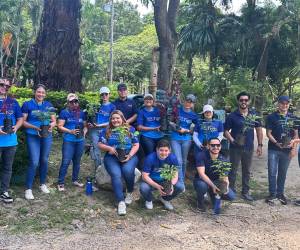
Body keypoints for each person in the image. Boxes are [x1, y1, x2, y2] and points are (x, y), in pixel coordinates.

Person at [98, 110, 139, 215]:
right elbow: (99, 144)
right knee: (116, 174)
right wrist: (108, 148)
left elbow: (136, 144)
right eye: (113, 118)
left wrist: (129, 155)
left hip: (128, 154)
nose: (115, 120)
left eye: (117, 118)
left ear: (122, 119)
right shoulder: (107, 130)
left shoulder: (130, 129)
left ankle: (129, 192)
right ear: (110, 120)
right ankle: (121, 202)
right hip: (112, 156)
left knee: (127, 171)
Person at [224, 91, 263, 201]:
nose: (244, 102)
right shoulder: (232, 115)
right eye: (241, 100)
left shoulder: (254, 115)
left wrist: (260, 145)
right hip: (235, 148)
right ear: (238, 101)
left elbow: (259, 130)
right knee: (233, 170)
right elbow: (226, 130)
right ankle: (230, 190)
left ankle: (245, 192)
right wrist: (232, 140)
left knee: (247, 170)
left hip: (248, 147)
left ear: (249, 101)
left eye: (246, 100)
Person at [22, 84, 56, 200]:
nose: (40, 94)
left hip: (46, 135)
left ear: (45, 94)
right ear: (35, 92)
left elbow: (53, 121)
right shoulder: (27, 104)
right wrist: (35, 127)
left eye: (42, 92)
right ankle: (28, 188)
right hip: (33, 136)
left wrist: (51, 125)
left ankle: (42, 184)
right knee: (34, 161)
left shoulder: (48, 105)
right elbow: (23, 122)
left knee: (44, 160)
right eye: (38, 92)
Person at [265, 96, 298, 205]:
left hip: (287, 150)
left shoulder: (293, 118)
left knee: (283, 172)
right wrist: (276, 143)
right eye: (282, 103)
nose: (284, 105)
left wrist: (294, 149)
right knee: (272, 172)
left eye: (286, 103)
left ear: (289, 104)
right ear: (278, 104)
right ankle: (272, 194)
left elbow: (296, 135)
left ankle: (280, 193)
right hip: (273, 149)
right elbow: (268, 133)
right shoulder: (271, 117)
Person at [140, 139, 184, 210]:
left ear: (169, 150)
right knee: (143, 187)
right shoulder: (150, 158)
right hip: (151, 181)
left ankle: (165, 199)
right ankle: (149, 199)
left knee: (180, 187)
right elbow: (144, 176)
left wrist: (171, 185)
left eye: (166, 150)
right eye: (161, 150)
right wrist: (157, 186)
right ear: (157, 149)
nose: (163, 153)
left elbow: (175, 173)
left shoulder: (173, 158)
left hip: (165, 181)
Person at [193, 138, 236, 211]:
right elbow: (202, 174)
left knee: (231, 196)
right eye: (213, 145)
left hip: (217, 181)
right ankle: (200, 203)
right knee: (202, 186)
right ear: (208, 146)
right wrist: (213, 186)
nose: (215, 147)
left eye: (218, 145)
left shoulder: (224, 158)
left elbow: (225, 176)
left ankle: (213, 195)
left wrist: (226, 187)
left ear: (220, 146)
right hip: (202, 180)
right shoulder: (201, 155)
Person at [57, 93, 88, 191]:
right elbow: (60, 126)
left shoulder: (82, 113)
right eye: (71, 102)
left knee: (77, 161)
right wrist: (70, 131)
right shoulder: (64, 112)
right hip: (69, 140)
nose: (74, 104)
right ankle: (60, 182)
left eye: (76, 101)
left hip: (80, 140)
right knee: (66, 161)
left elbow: (85, 125)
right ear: (68, 103)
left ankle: (75, 180)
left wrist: (84, 131)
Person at [0, 77, 23, 203]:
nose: (4, 87)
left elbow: (20, 118)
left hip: (10, 141)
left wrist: (16, 127)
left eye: (7, 86)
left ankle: (4, 191)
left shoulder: (13, 102)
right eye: (2, 84)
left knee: (7, 168)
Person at [170, 94, 198, 186]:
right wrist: (176, 128)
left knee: (184, 160)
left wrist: (186, 130)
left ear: (193, 104)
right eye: (187, 101)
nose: (188, 104)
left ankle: (181, 178)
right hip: (175, 137)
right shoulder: (177, 111)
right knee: (178, 160)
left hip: (186, 139)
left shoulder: (194, 115)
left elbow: (194, 129)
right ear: (184, 101)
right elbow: (170, 121)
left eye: (190, 102)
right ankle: (181, 182)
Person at [88, 86, 115, 168]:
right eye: (102, 94)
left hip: (106, 130)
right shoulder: (96, 105)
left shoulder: (112, 107)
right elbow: (91, 117)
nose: (104, 96)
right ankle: (98, 170)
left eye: (106, 94)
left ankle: (108, 169)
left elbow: (112, 121)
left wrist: (100, 125)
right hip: (94, 131)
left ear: (109, 95)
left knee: (108, 149)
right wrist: (90, 123)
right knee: (96, 150)